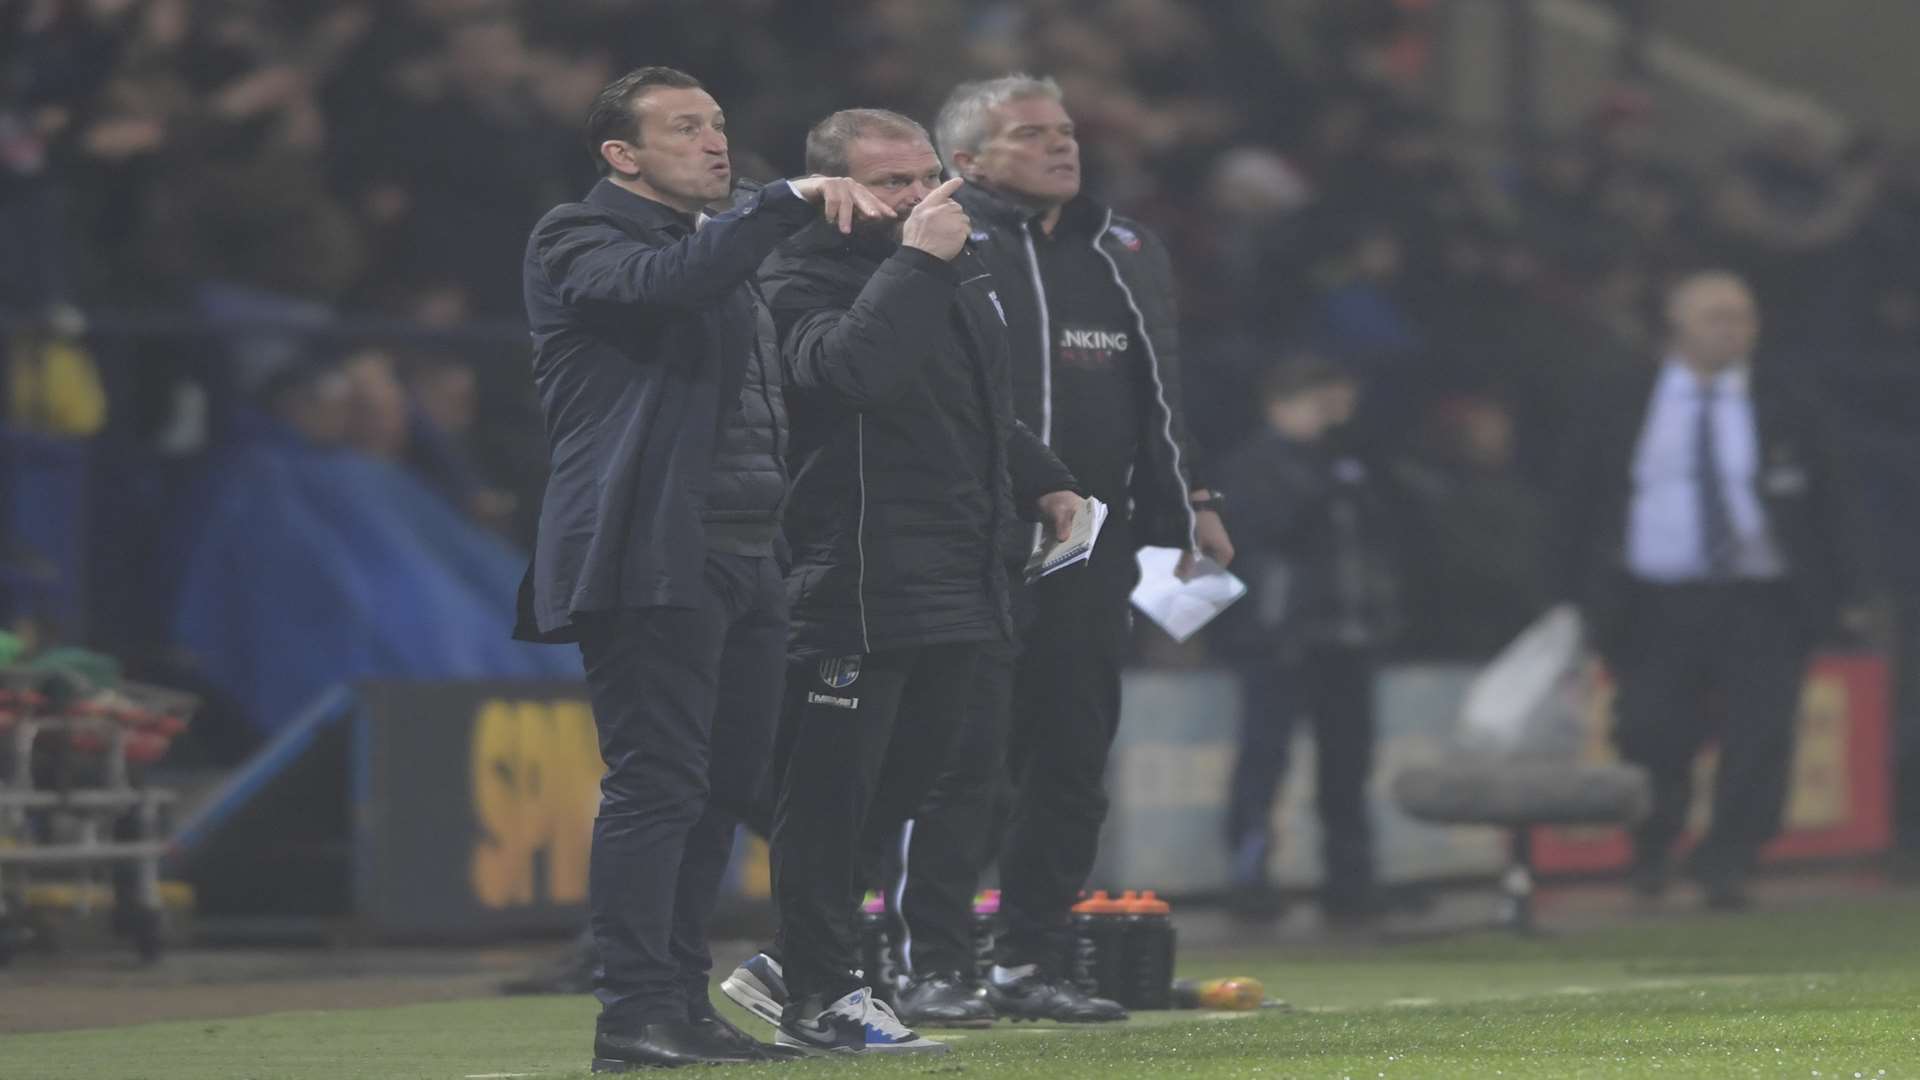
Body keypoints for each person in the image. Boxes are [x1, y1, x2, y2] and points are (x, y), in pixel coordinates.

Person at [513, 66, 894, 1072]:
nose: (715, 143)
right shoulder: (576, 236)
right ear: (621, 156)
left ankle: (679, 1004)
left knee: (723, 789)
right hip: (648, 551)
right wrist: (782, 203)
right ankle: (632, 1010)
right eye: (685, 128)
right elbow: (658, 289)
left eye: (720, 123)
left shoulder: (716, 250)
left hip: (745, 555)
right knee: (659, 784)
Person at [864, 74, 1234, 1026]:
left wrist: (1192, 499)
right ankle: (931, 964)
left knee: (1070, 759)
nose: (1061, 145)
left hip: (1093, 546)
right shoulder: (938, 233)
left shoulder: (1125, 246)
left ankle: (1033, 961)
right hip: (967, 540)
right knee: (962, 759)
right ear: (970, 158)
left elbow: (1162, 389)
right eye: (1030, 133)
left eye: (1065, 130)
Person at [723, 108, 1080, 1055]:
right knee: (834, 794)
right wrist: (917, 263)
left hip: (955, 574)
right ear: (836, 187)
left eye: (927, 177)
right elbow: (846, 378)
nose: (921, 197)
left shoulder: (954, 274)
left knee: (912, 786)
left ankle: (795, 963)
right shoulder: (794, 274)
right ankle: (821, 992)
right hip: (855, 583)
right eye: (893, 182)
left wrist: (1045, 477)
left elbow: (970, 412)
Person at [1556, 271, 1864, 910]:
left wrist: (1848, 588)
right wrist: (1568, 593)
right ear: (1676, 324)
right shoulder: (1620, 398)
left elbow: (1833, 500)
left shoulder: (1788, 400)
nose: (1735, 329)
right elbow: (1578, 499)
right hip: (1653, 599)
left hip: (1763, 597)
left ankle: (1728, 858)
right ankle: (1651, 845)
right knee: (1649, 731)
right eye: (1717, 316)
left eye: (1744, 316)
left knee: (1760, 736)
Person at [1212, 355, 1398, 923]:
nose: (1327, 416)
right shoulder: (1252, 466)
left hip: (1348, 634)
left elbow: (1380, 537)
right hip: (1280, 637)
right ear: (1279, 405)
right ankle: (1250, 877)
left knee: (1348, 764)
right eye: (1314, 403)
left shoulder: (1348, 463)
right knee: (1264, 762)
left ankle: (1351, 878)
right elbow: (1261, 532)